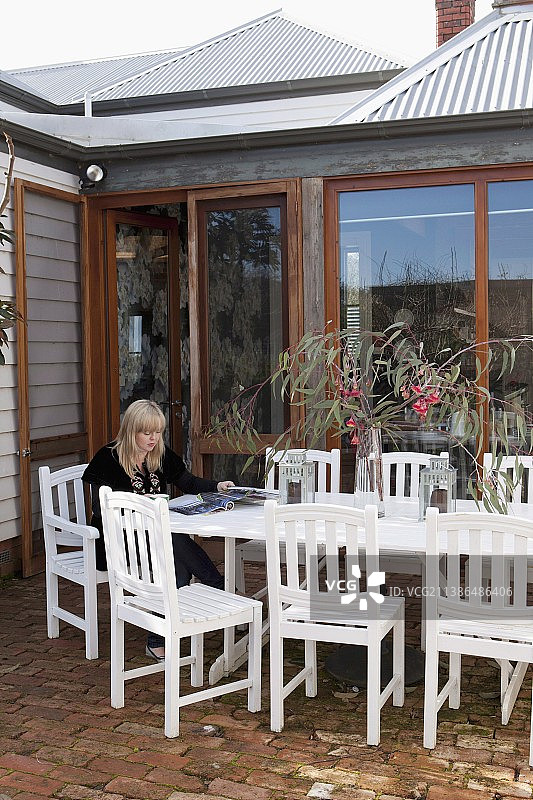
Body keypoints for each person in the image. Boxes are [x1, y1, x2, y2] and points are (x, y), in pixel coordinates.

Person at [82, 399, 234, 661]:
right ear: (131, 430)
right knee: (173, 544)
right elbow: (99, 508)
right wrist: (141, 507)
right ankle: (218, 587)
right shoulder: (107, 458)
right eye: (147, 433)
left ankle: (157, 639)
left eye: (158, 432)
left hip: (155, 538)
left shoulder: (159, 453)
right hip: (118, 540)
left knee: (173, 554)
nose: (154, 438)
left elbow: (186, 481)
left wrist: (216, 486)